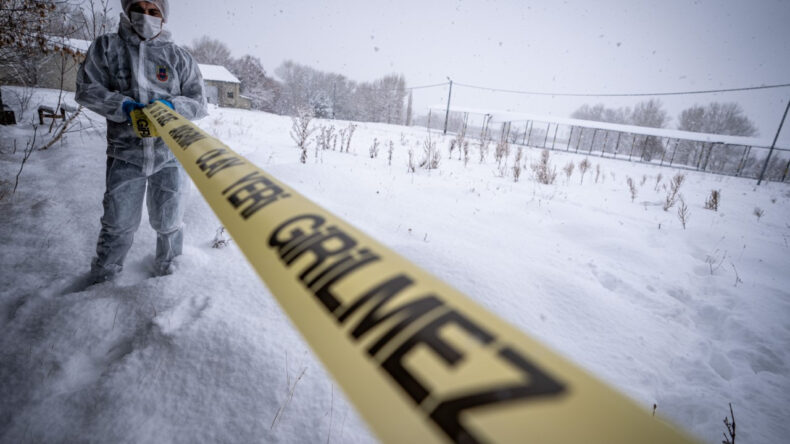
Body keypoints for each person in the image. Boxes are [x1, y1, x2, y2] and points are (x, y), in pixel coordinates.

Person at [76, 0, 207, 283]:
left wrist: (172, 108)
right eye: (138, 8)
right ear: (127, 11)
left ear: (163, 16)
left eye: (153, 11)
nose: (145, 16)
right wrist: (123, 107)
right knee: (117, 223)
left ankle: (169, 278)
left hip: (169, 155)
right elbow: (86, 89)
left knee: (170, 222)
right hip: (125, 155)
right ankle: (102, 281)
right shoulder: (107, 48)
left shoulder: (179, 57)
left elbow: (199, 102)